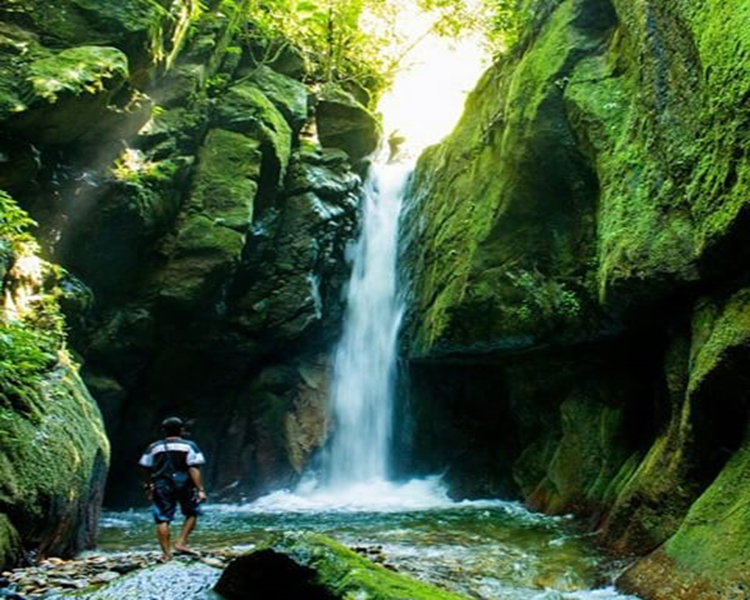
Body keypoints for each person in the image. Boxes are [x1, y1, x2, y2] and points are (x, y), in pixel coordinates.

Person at [139, 417, 207, 562]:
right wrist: (200, 489)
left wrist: (148, 485)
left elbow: (145, 467)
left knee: (162, 518)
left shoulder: (154, 447)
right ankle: (181, 543)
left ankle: (166, 554)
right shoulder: (190, 446)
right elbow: (193, 467)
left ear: (163, 430)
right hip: (185, 485)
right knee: (192, 513)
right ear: (182, 430)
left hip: (162, 485)